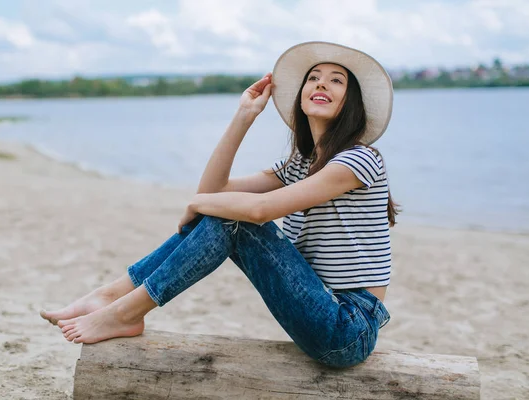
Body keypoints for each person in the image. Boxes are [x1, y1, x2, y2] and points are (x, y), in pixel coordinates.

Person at [41, 41, 398, 368]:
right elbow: (214, 189)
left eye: (336, 81)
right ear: (301, 94)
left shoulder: (360, 159)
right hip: (320, 307)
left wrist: (201, 202)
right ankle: (111, 298)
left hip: (349, 327)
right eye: (314, 78)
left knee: (234, 218)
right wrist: (244, 116)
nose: (321, 84)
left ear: (350, 102)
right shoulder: (299, 166)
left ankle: (123, 310)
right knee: (224, 214)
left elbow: (258, 211)